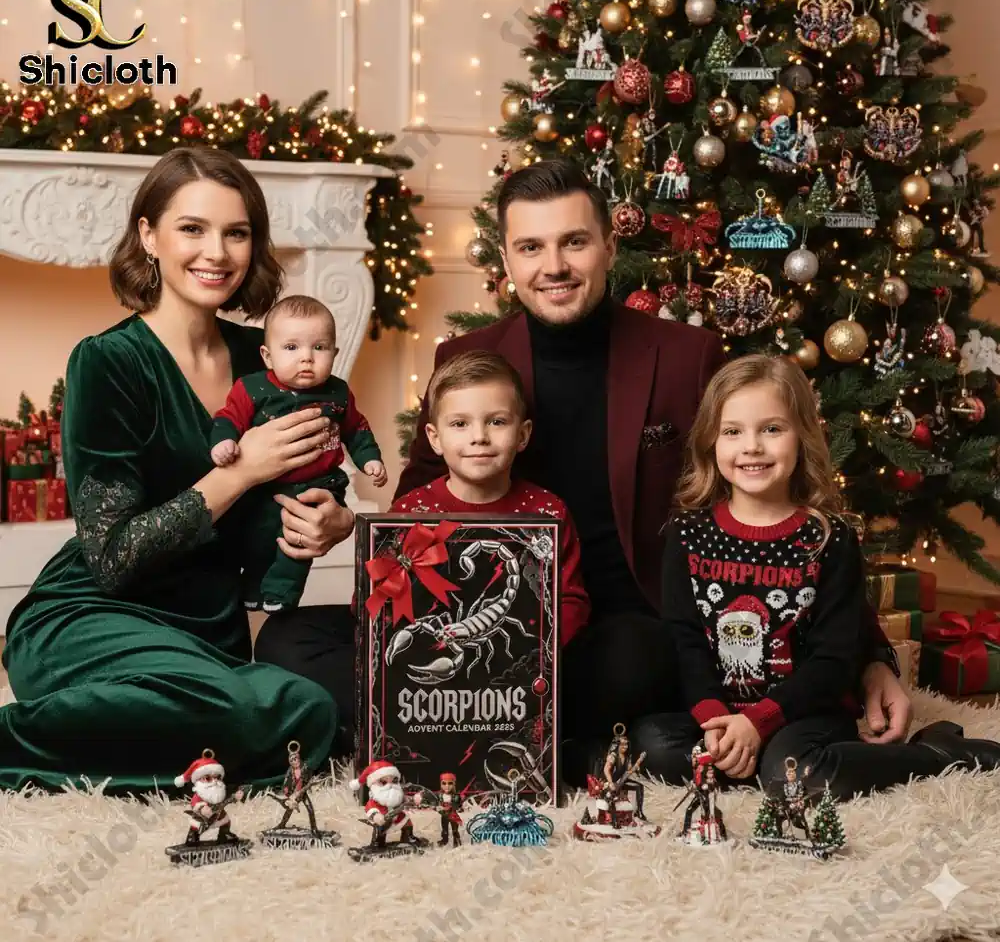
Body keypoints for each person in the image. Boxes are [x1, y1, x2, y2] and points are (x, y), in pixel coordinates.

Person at [254, 158, 909, 778]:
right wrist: (352, 527)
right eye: (531, 247)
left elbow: (785, 508)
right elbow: (418, 504)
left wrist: (870, 656)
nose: (554, 266)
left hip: (617, 628)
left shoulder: (685, 356)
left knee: (641, 661)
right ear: (506, 259)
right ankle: (529, 732)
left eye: (574, 242)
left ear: (608, 247)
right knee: (288, 641)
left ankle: (450, 727)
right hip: (484, 619)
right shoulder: (468, 354)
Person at [0, 147, 354, 795]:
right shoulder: (108, 363)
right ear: (148, 236)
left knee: (306, 707)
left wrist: (335, 520)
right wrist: (238, 472)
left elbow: (319, 475)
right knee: (258, 711)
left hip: (207, 639)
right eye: (192, 228)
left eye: (236, 232)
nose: (216, 252)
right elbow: (111, 556)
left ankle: (177, 721)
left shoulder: (271, 359)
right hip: (88, 619)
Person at [642, 354, 1000, 797]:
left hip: (802, 711)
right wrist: (717, 718)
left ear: (803, 438)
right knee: (651, 745)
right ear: (711, 442)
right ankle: (739, 755)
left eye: (772, 429)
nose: (752, 446)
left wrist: (760, 721)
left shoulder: (829, 538)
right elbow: (683, 637)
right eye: (733, 431)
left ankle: (938, 754)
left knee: (798, 774)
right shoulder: (687, 533)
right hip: (718, 710)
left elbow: (835, 658)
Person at [389, 349, 590, 644]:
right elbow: (373, 598)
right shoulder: (409, 511)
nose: (479, 436)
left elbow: (571, 600)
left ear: (522, 435)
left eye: (497, 422)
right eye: (460, 424)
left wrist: (536, 649)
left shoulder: (548, 511)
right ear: (434, 438)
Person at [210, 294, 385, 613]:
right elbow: (228, 418)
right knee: (259, 539)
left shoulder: (338, 393)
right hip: (265, 486)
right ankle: (252, 588)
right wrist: (224, 443)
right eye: (292, 348)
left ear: (334, 353)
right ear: (267, 355)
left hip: (319, 486)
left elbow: (356, 429)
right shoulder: (253, 389)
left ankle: (282, 593)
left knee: (298, 541)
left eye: (319, 348)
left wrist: (370, 458)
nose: (306, 358)